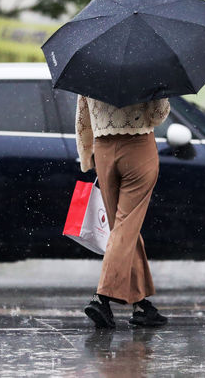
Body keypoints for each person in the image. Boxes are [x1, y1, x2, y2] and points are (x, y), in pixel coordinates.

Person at [76, 95, 170, 328]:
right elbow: (157, 116)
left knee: (123, 228)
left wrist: (85, 155)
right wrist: (164, 97)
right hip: (138, 147)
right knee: (126, 226)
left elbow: (83, 118)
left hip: (104, 151)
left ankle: (141, 304)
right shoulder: (146, 64)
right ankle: (102, 297)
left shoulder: (90, 62)